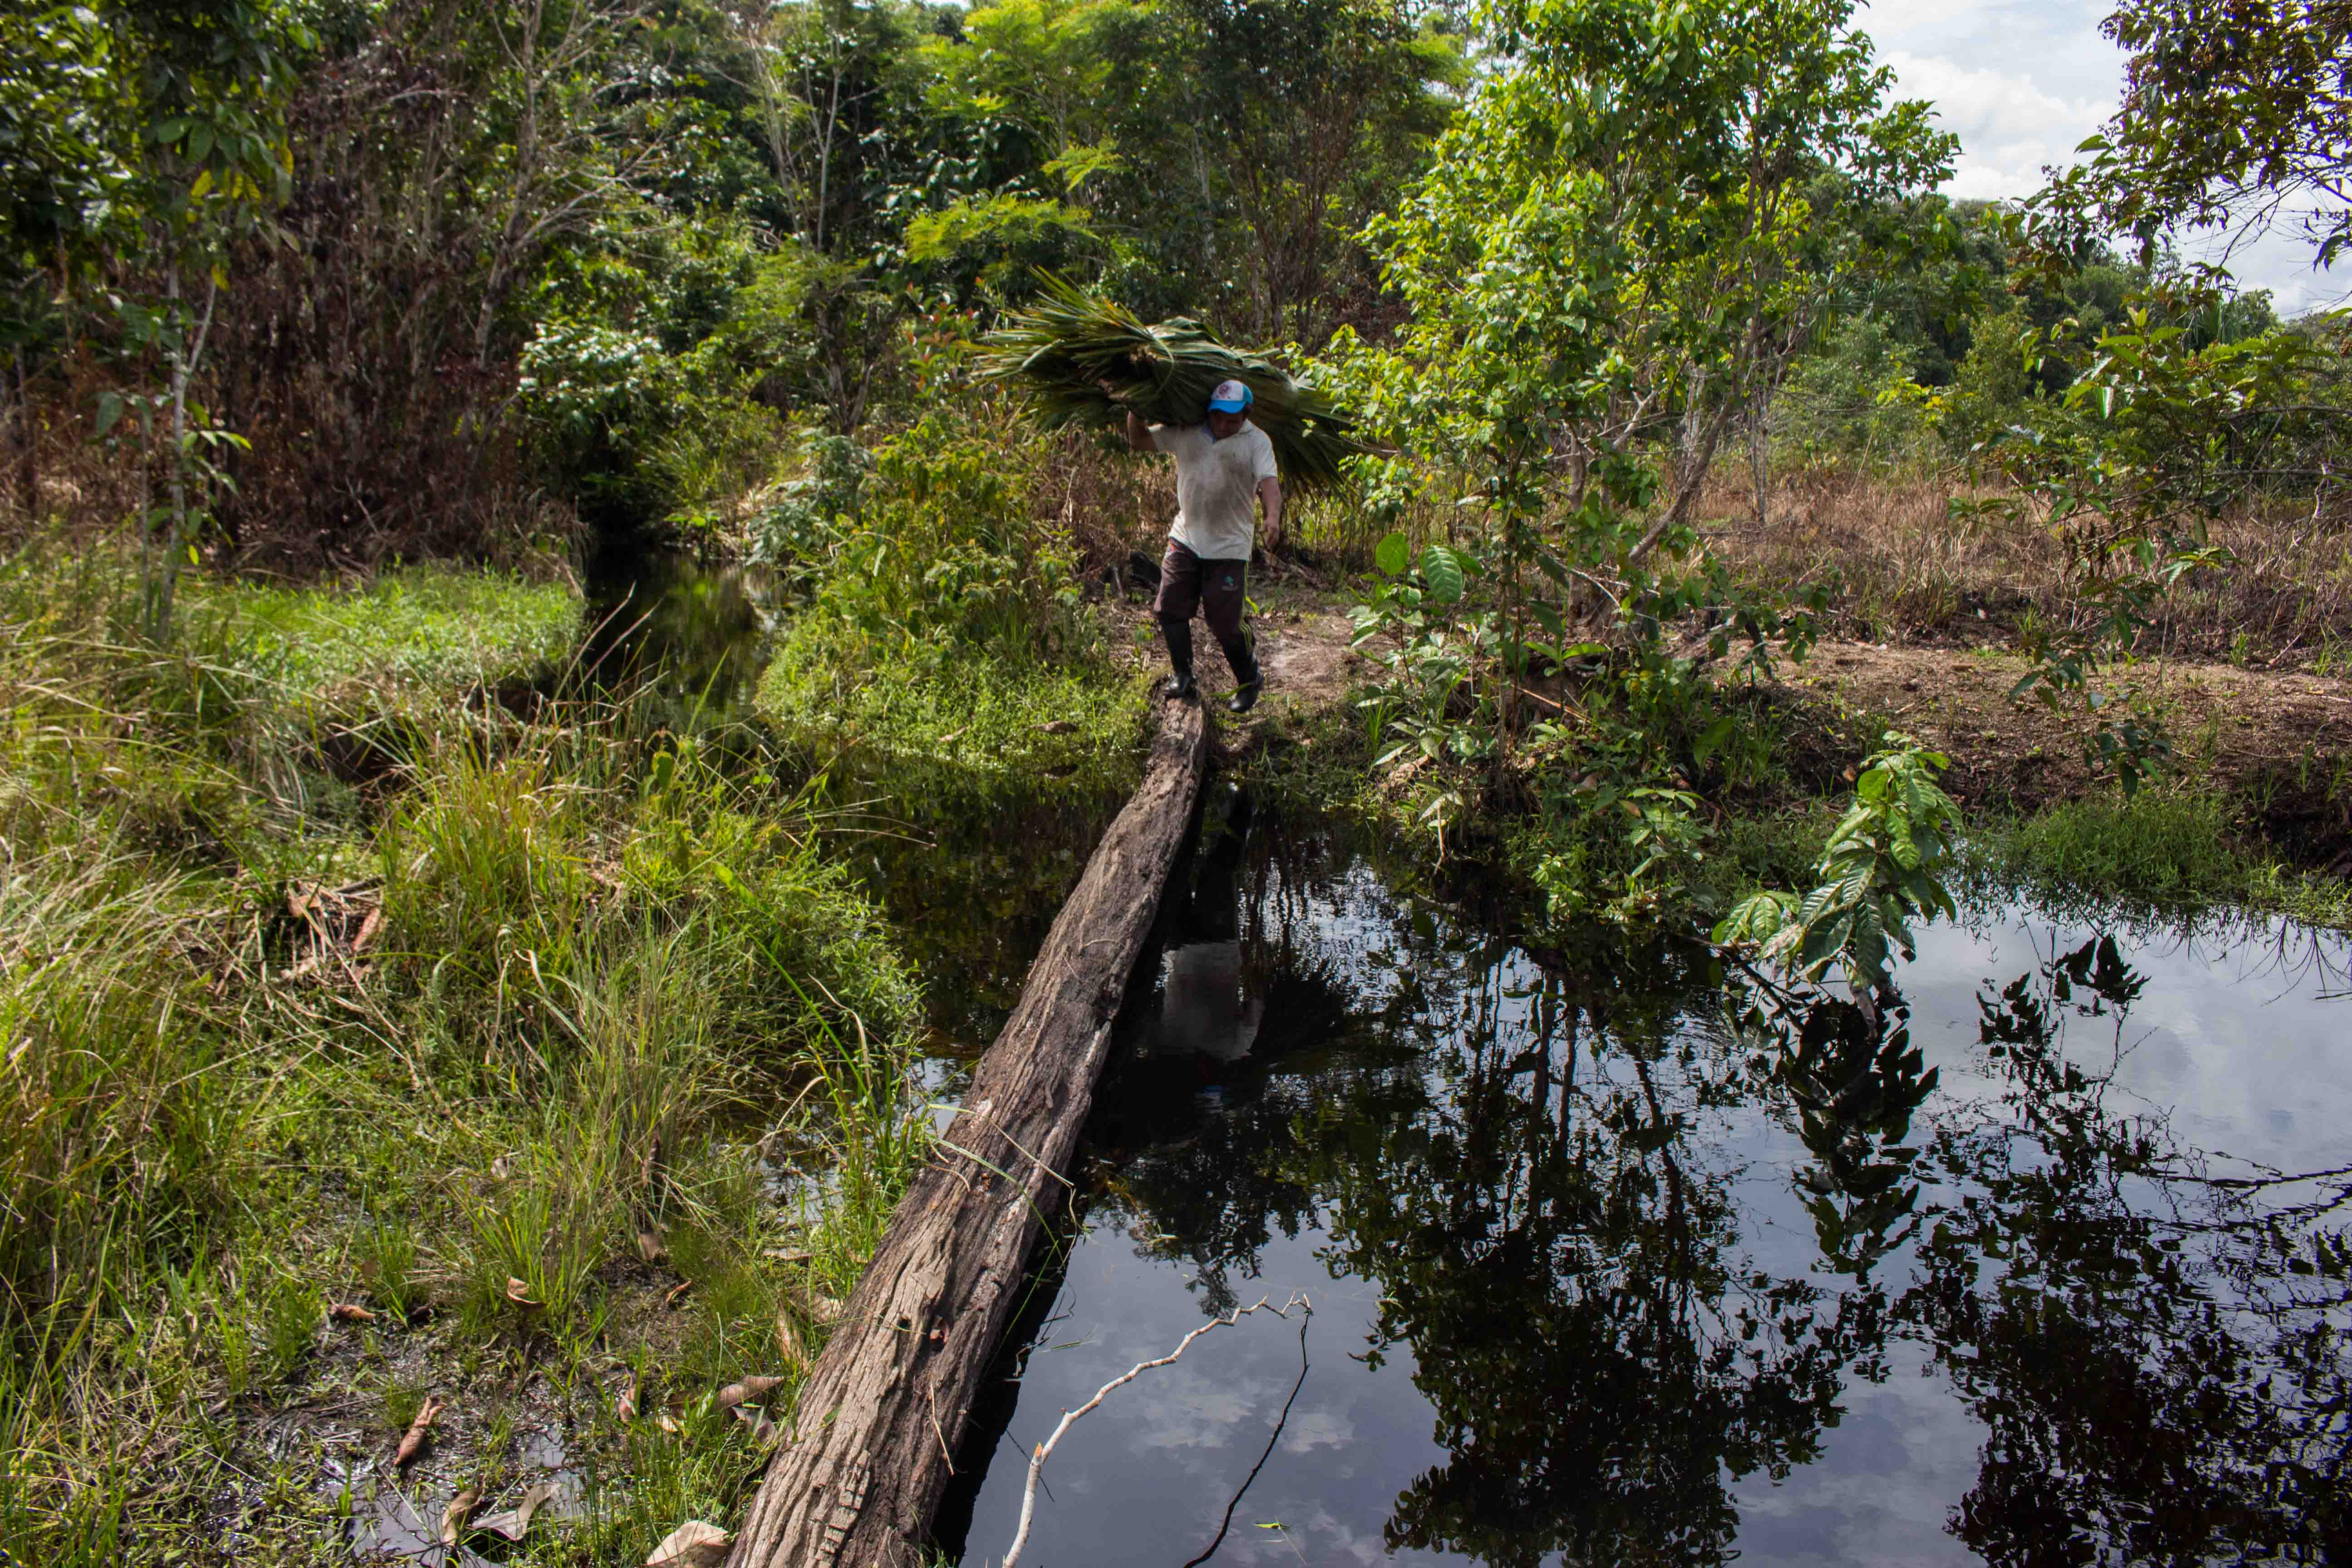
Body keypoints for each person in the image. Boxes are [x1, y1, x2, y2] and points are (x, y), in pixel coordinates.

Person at [1121, 378, 1282, 713]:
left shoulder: (1257, 441)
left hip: (1230, 547)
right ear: (1209, 411)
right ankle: (1184, 675)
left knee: (1225, 623)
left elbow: (1269, 483)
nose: (1223, 424)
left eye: (1232, 420)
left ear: (1245, 416)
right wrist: (1135, 409)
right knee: (1169, 607)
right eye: (1218, 416)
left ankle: (1250, 678)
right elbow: (1139, 440)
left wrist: (1272, 517)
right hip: (1187, 538)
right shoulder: (1188, 431)